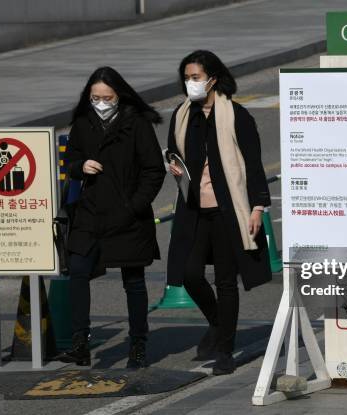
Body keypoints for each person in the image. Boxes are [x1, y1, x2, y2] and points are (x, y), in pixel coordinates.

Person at [166, 50, 272, 375]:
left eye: (195, 77)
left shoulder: (236, 116)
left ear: (213, 78)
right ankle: (217, 323)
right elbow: (173, 149)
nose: (190, 83)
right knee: (189, 273)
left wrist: (257, 208)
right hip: (193, 208)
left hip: (229, 211)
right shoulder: (183, 115)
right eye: (186, 78)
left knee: (226, 281)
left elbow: (253, 166)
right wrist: (172, 164)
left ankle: (225, 349)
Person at [57, 66, 165, 368]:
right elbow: (71, 159)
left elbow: (153, 170)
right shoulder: (83, 122)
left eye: (106, 97)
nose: (101, 103)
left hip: (128, 215)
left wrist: (135, 205)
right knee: (77, 270)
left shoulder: (137, 124)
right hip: (90, 213)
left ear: (119, 96)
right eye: (95, 97)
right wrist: (81, 166)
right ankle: (80, 342)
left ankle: (138, 344)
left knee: (133, 280)